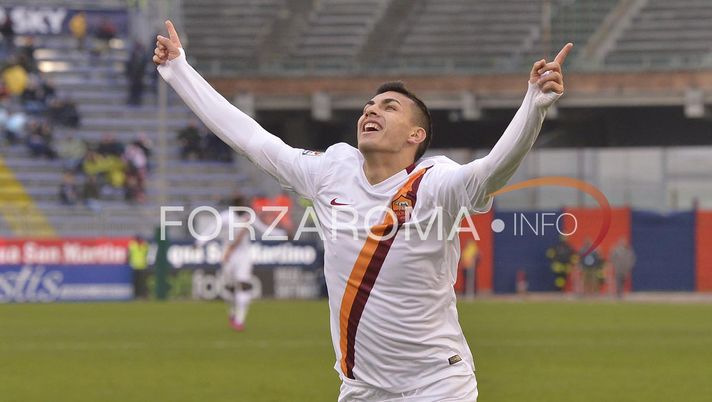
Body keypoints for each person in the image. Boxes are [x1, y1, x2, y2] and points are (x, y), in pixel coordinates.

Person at [155, 20, 571, 401]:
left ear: (416, 135)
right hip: (360, 389)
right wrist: (179, 71)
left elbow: (493, 170)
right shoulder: (331, 171)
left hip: (437, 385)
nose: (371, 110)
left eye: (389, 107)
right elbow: (252, 139)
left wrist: (534, 105)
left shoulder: (434, 184)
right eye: (369, 105)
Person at [196, 196, 285, 331]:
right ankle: (233, 312)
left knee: (244, 284)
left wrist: (283, 234)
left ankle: (239, 320)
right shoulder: (225, 217)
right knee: (230, 288)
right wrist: (199, 242)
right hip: (228, 255)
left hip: (244, 255)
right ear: (235, 206)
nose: (244, 206)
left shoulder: (248, 217)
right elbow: (211, 230)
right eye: (241, 204)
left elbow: (264, 229)